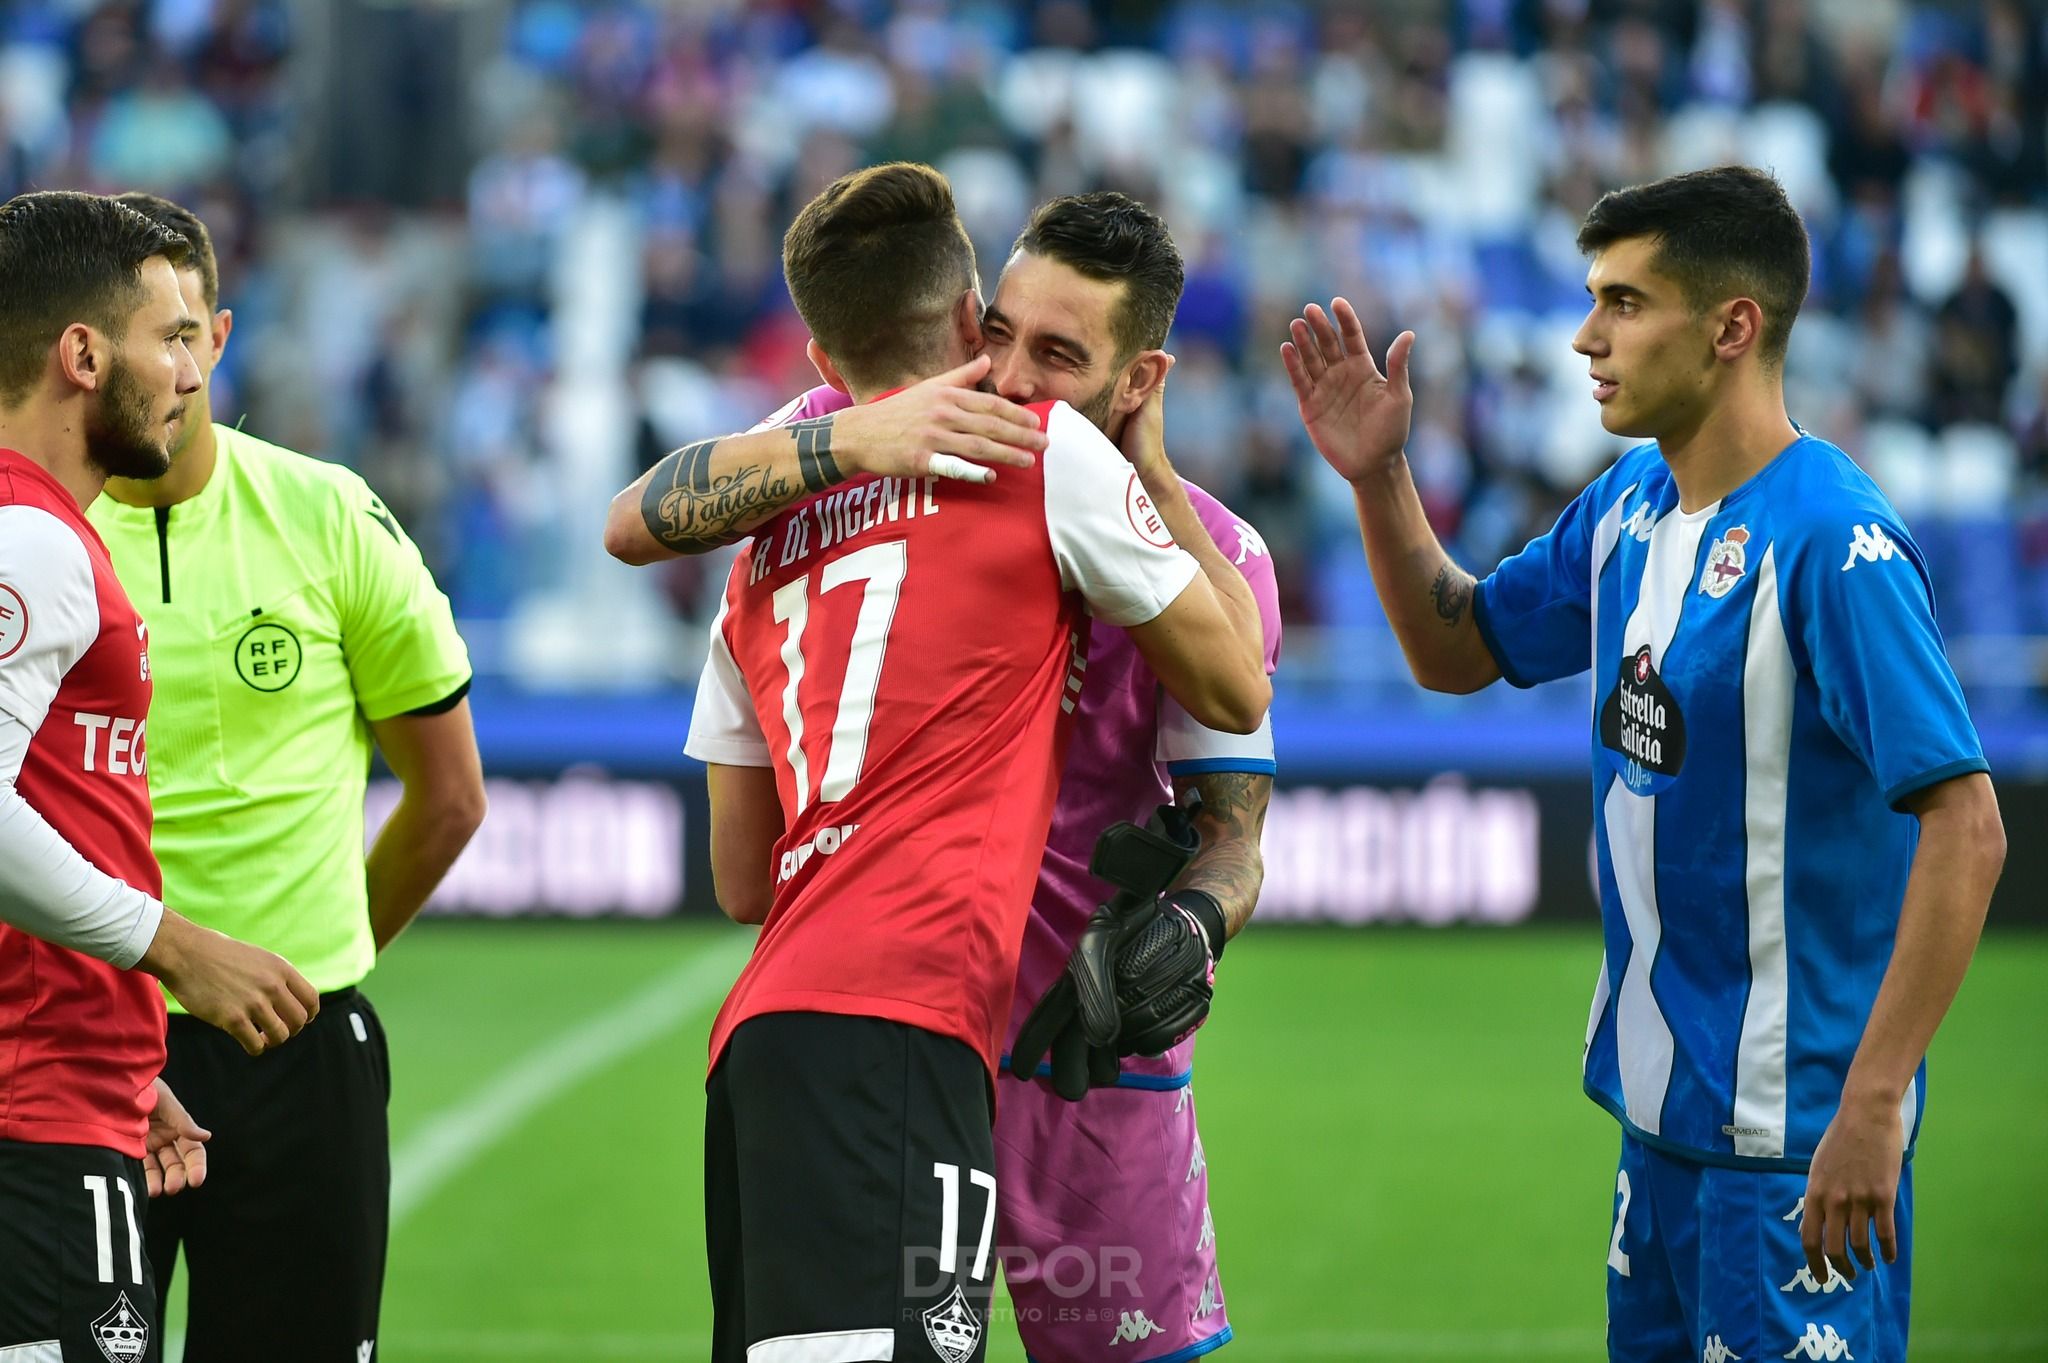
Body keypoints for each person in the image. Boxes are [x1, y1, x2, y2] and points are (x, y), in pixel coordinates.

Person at [1288, 165, 2005, 1363]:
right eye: (1589, 300)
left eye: (1622, 302)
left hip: (1793, 1148)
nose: (1584, 336)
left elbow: (1967, 826)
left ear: (1730, 327)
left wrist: (1875, 1098)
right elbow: (1456, 648)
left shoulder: (1830, 541)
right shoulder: (1628, 502)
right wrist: (1376, 474)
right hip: (1657, 1137)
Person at [612, 189, 1279, 1362]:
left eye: (1057, 356)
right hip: (918, 1021)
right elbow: (636, 517)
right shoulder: (900, 442)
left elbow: (1231, 823)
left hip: (1073, 1065)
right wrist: (857, 438)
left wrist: (1190, 922)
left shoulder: (1214, 549)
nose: (1010, 379)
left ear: (1139, 380)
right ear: (966, 314)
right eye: (998, 335)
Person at [83, 192, 484, 1363]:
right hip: (82, 1044)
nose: (169, 366)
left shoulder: (329, 515)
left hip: (297, 1051)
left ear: (219, 338)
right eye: (138, 339)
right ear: (84, 356)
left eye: (185, 333)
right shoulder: (38, 536)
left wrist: (313, 967)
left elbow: (449, 797)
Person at [0, 189, 319, 1363]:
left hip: (66, 1090)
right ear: (84, 356)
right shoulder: (30, 538)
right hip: (33, 1126)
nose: (191, 376)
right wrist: (173, 950)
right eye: (169, 340)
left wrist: (121, 1047)